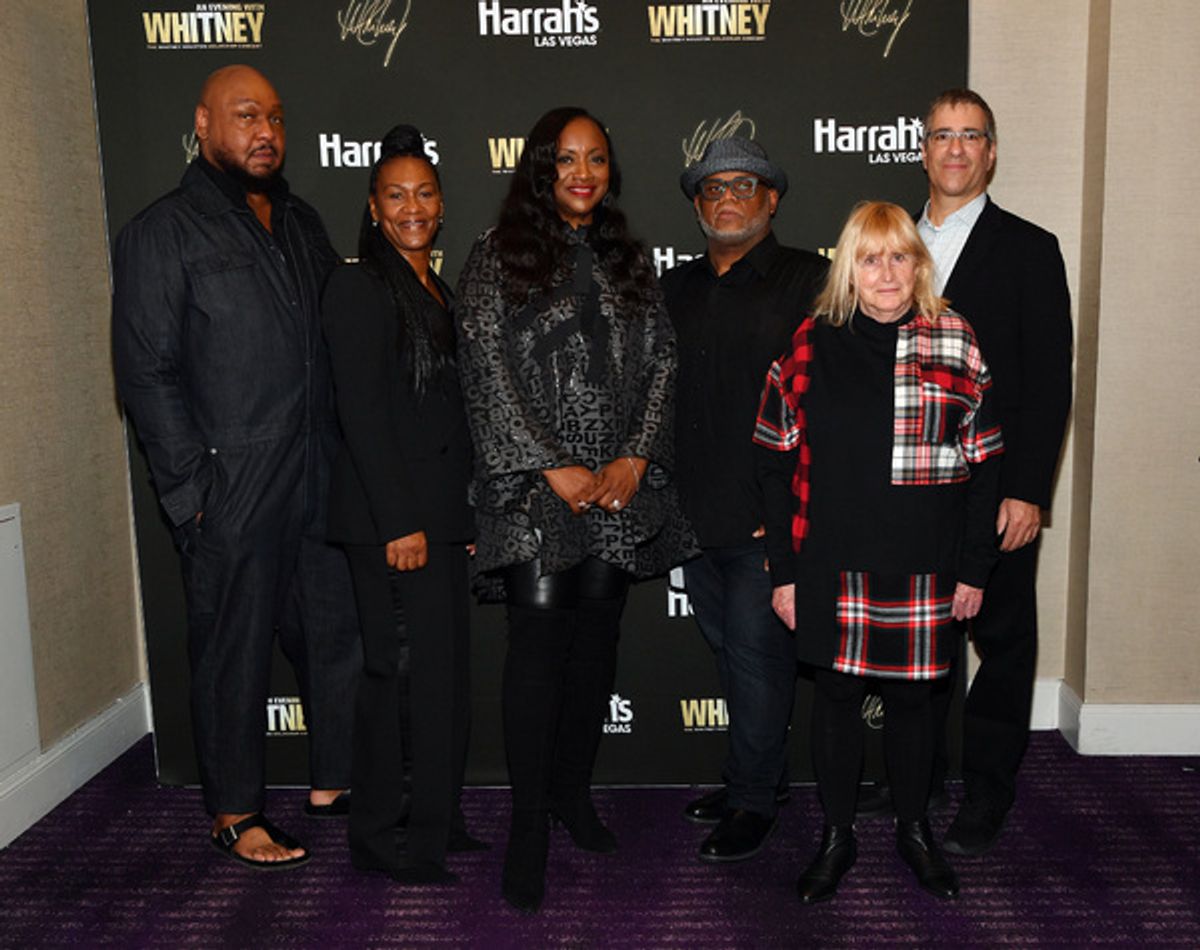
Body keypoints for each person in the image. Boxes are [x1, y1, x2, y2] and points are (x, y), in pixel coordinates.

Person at [112, 65, 360, 868]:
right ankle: (233, 812)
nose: (266, 133)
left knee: (332, 634)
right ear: (204, 124)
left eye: (277, 119)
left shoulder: (300, 222)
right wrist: (191, 494)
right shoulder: (163, 232)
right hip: (231, 482)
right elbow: (145, 372)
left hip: (316, 473)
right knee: (235, 650)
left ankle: (332, 782)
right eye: (247, 116)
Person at [455, 106, 694, 913]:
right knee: (537, 653)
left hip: (618, 490)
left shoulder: (629, 258)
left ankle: (570, 794)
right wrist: (548, 463)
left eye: (595, 159)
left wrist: (633, 456)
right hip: (534, 493)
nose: (583, 173)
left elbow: (662, 357)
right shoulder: (497, 256)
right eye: (566, 160)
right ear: (539, 170)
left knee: (596, 647)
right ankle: (528, 823)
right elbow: (484, 366)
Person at [754, 201, 1005, 902]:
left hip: (927, 560)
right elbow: (772, 460)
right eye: (870, 258)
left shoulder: (956, 338)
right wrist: (783, 571)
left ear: (919, 265)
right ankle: (837, 837)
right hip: (830, 558)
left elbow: (985, 466)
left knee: (917, 706)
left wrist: (975, 569)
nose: (886, 273)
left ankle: (914, 827)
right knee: (833, 700)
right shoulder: (810, 341)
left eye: (900, 256)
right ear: (849, 269)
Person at [321, 125, 481, 884]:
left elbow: (449, 422)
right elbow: (362, 416)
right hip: (392, 526)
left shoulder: (437, 290)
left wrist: (463, 522)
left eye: (424, 193)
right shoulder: (358, 286)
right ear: (374, 208)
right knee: (394, 681)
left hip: (443, 523)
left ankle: (437, 825)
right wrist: (402, 524)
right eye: (396, 195)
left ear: (441, 205)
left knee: (445, 680)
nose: (412, 207)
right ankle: (380, 838)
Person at [915, 89, 1072, 856]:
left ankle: (986, 793)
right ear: (922, 149)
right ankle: (919, 775)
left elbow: (1050, 381)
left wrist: (1028, 490)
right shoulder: (891, 244)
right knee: (918, 639)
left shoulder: (1029, 248)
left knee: (1002, 640)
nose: (955, 148)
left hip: (996, 487)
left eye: (970, 135)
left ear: (991, 152)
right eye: (942, 135)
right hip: (907, 492)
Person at [662, 137, 828, 862]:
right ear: (698, 205)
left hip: (773, 518)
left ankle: (755, 801)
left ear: (772, 199)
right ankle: (751, 781)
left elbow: (836, 399)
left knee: (760, 662)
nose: (726, 196)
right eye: (712, 188)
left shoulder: (813, 281)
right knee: (731, 656)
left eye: (744, 184)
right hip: (695, 515)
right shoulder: (676, 289)